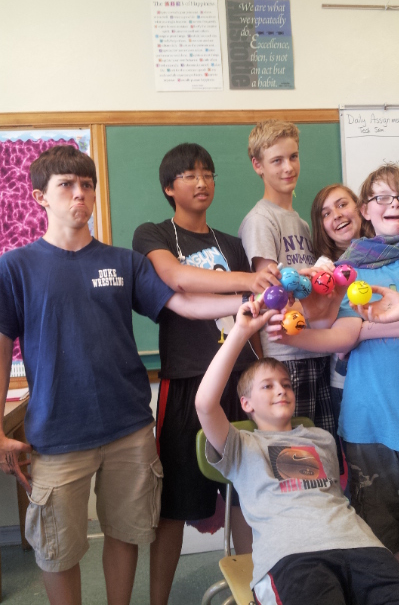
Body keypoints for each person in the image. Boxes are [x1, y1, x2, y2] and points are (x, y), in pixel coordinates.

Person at [0, 145, 249, 605]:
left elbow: (183, 304)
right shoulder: (15, 268)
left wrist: (246, 304)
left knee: (126, 532)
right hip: (57, 434)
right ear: (40, 197)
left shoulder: (123, 262)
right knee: (58, 550)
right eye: (66, 185)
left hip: (129, 429)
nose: (80, 194)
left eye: (87, 185)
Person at [268, 165, 399, 605]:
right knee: (383, 536)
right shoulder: (352, 267)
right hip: (365, 424)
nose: (393, 204)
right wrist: (291, 338)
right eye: (381, 197)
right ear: (367, 210)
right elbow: (342, 335)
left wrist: (374, 325)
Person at [194, 298, 399, 605]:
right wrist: (240, 331)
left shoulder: (320, 438)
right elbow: (205, 404)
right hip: (292, 556)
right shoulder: (240, 445)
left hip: (360, 545)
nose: (281, 389)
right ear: (246, 403)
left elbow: (328, 498)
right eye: (267, 386)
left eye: (286, 384)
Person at [132, 142, 280, 605]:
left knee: (247, 491)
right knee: (174, 505)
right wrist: (248, 284)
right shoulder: (152, 233)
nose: (202, 182)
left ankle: (252, 595)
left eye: (208, 174)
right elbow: (177, 278)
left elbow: (252, 317)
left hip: (241, 379)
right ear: (168, 187)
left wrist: (261, 364)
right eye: (190, 175)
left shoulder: (232, 244)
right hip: (187, 382)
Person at [238, 119, 336, 435]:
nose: (288, 167)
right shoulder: (260, 220)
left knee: (325, 446)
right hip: (287, 356)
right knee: (297, 451)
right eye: (277, 160)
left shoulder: (302, 224)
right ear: (258, 165)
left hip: (317, 348)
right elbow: (272, 295)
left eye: (293, 157)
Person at [310, 184, 373, 474]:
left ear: (361, 209)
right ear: (322, 227)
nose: (336, 215)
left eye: (342, 204)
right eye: (326, 213)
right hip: (347, 382)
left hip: (393, 372)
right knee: (365, 473)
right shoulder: (324, 269)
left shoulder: (387, 252)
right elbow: (326, 330)